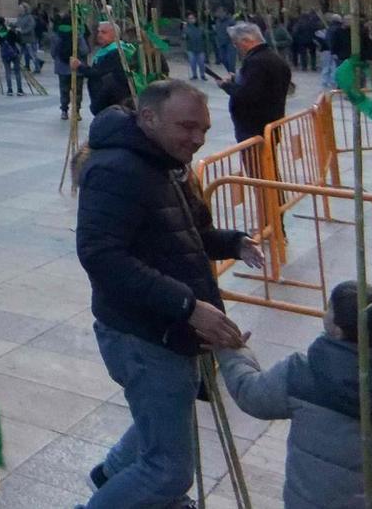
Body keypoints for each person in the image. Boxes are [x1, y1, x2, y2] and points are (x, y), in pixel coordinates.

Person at [76, 78, 260, 506]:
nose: (197, 139)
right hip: (142, 333)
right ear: (148, 118)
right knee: (169, 471)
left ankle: (111, 474)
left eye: (204, 130)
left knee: (163, 414)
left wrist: (231, 241)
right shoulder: (116, 169)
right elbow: (101, 255)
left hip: (170, 329)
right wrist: (187, 306)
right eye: (187, 127)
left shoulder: (166, 162)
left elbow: (185, 235)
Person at [216, 282, 372, 508]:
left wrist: (233, 351)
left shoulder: (301, 375)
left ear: (338, 330)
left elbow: (251, 394)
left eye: (329, 308)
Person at [219, 21, 291, 143]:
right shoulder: (274, 58)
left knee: (257, 161)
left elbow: (248, 94)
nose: (237, 48)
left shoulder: (256, 62)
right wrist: (238, 78)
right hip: (270, 124)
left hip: (254, 128)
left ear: (246, 41)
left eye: (236, 44)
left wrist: (227, 86)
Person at [75, 20, 133, 116]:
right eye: (99, 31)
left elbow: (98, 73)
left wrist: (80, 67)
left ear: (115, 35)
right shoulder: (106, 49)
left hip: (110, 101)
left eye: (104, 32)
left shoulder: (117, 52)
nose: (99, 35)